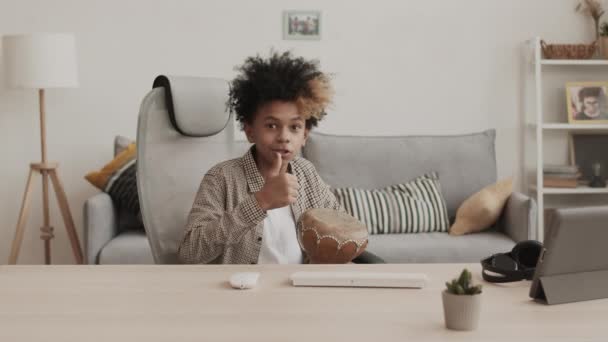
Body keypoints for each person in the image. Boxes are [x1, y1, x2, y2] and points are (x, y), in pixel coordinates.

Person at [178, 51, 342, 265]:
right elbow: (189, 254)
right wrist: (260, 202)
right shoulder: (221, 178)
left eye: (295, 127)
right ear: (249, 131)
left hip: (299, 291)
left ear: (305, 135)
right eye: (272, 125)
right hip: (240, 293)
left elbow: (340, 229)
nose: (284, 137)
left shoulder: (307, 173)